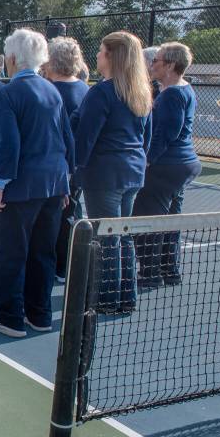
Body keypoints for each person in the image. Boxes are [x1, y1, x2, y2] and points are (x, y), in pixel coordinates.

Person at [0, 29, 73, 338]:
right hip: (53, 184)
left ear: (14, 58)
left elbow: (8, 146)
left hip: (21, 187)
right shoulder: (52, 90)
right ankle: (40, 314)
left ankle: (9, 317)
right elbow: (66, 142)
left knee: (11, 253)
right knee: (43, 253)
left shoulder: (8, 93)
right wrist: (66, 185)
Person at [71, 31, 153, 313]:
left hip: (105, 174)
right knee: (122, 234)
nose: (96, 55)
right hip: (131, 172)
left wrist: (75, 170)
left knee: (106, 237)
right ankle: (125, 297)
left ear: (111, 56)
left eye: (101, 50)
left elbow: (85, 138)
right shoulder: (139, 91)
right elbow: (146, 137)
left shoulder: (102, 93)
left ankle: (106, 300)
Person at [133, 42, 200, 287]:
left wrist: (147, 160)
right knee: (170, 220)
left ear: (171, 65)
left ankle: (149, 275)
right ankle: (169, 270)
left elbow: (167, 132)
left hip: (167, 167)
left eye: (157, 61)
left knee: (148, 219)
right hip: (181, 165)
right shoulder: (182, 90)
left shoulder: (171, 94)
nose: (152, 65)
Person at [43, 37, 90, 281]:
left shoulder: (49, 91)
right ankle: (65, 266)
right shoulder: (85, 89)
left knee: (53, 221)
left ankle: (58, 268)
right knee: (69, 215)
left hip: (56, 168)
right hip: (77, 166)